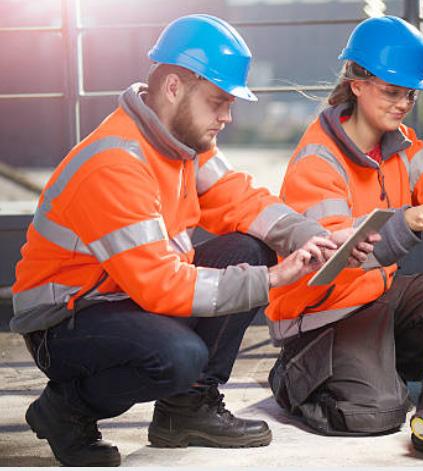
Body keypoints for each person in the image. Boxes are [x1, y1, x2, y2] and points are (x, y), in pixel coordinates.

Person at [11, 14, 376, 467]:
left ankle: (186, 411)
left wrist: (317, 237)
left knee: (247, 247)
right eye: (219, 102)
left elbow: (243, 202)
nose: (227, 117)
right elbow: (161, 285)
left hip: (120, 296)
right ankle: (65, 411)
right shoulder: (116, 163)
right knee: (178, 356)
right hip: (65, 320)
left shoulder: (183, 144)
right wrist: (274, 277)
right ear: (173, 88)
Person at [266, 15, 423, 435]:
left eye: (410, 94)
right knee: (375, 414)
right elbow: (336, 261)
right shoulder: (318, 162)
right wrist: (404, 223)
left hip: (378, 294)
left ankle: (374, 364)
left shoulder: (401, 143)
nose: (403, 103)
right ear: (358, 84)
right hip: (325, 313)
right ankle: (293, 377)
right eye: (391, 91)